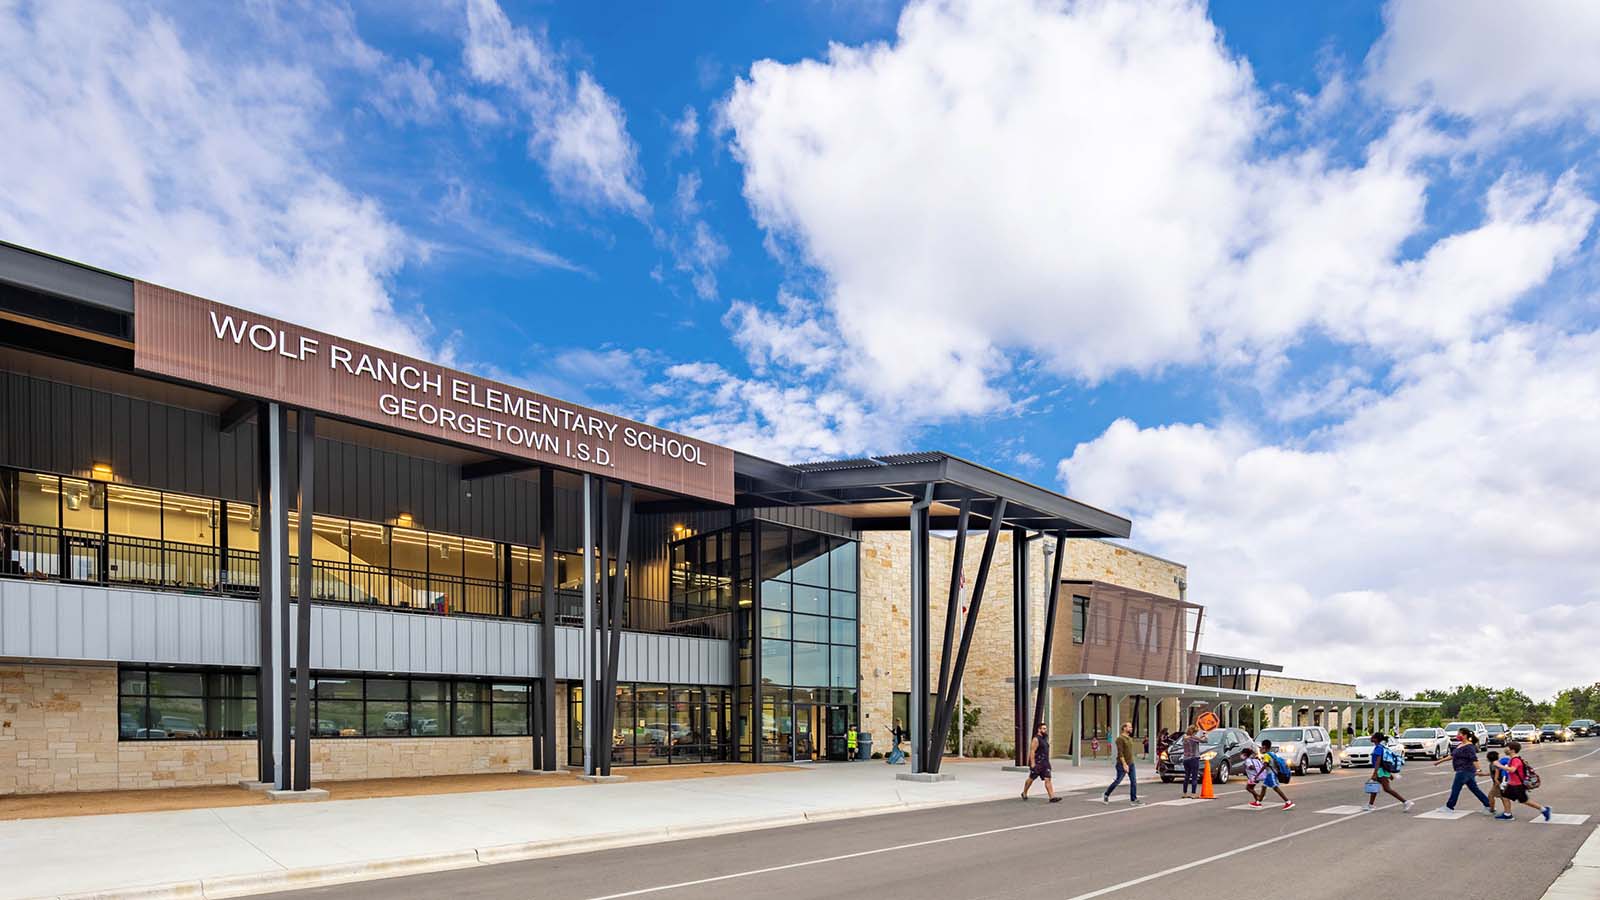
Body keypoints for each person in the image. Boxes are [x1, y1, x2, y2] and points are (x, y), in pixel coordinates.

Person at [1434, 727, 1493, 815]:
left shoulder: (1469, 746)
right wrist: (1440, 761)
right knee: (1475, 789)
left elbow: (1474, 759)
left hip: (1464, 771)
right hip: (1466, 771)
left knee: (1456, 789)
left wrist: (1479, 770)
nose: (1457, 736)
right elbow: (1452, 756)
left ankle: (1449, 807)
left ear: (1465, 735)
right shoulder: (1461, 745)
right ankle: (1488, 805)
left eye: (1459, 734)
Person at [1494, 741, 1552, 821]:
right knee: (1505, 796)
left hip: (1518, 785)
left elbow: (1512, 770)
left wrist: (1499, 765)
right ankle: (1507, 814)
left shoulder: (1516, 760)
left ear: (1512, 750)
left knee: (1524, 800)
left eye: (1507, 748)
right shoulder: (1513, 759)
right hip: (1512, 784)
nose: (1506, 749)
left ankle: (1544, 810)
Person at [1365, 733, 1413, 812]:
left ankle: (1406, 802)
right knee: (1374, 787)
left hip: (1381, 771)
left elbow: (1378, 761)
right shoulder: (1380, 747)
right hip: (1382, 770)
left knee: (1387, 789)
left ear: (1376, 739)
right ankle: (1370, 805)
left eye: (1373, 737)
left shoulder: (1378, 748)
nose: (1371, 737)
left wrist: (1375, 773)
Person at [1102, 722, 1143, 805]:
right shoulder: (1120, 739)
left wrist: (1130, 763)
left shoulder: (1130, 738)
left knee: (1134, 782)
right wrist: (1124, 764)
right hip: (1121, 764)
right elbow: (1120, 753)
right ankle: (1106, 794)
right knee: (1118, 781)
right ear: (1124, 728)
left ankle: (1133, 800)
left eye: (1131, 727)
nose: (1131, 728)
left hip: (1131, 763)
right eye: (1129, 727)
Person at [1021, 723, 1061, 803]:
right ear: (1039, 729)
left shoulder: (1044, 738)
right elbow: (1032, 751)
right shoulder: (1036, 739)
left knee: (1048, 779)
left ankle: (1052, 797)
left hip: (1045, 763)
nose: (1045, 730)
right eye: (1043, 728)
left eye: (1045, 728)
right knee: (1031, 778)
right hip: (1038, 763)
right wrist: (1032, 763)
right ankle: (1024, 792)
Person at [1256, 739, 1295, 809]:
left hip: (1271, 774)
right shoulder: (1272, 753)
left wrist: (1257, 775)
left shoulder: (1266, 755)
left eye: (1261, 747)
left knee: (1275, 788)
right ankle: (1258, 802)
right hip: (1270, 774)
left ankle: (1288, 802)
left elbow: (1265, 766)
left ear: (1264, 747)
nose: (1260, 748)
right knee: (1263, 787)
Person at [1179, 725, 1205, 799]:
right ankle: (1193, 793)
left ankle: (1184, 793)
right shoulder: (1194, 738)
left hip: (1185, 759)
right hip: (1194, 759)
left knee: (1187, 776)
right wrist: (1205, 735)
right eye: (1196, 732)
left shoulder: (1184, 738)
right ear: (1194, 732)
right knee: (1194, 776)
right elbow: (1204, 741)